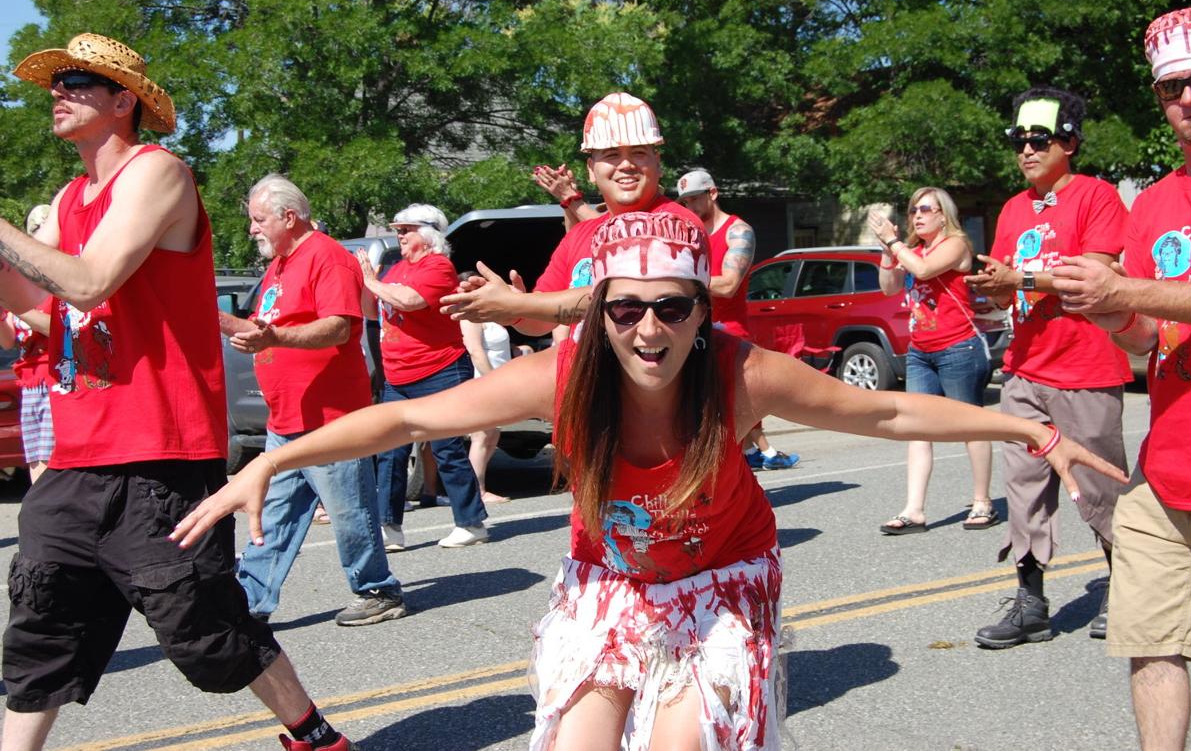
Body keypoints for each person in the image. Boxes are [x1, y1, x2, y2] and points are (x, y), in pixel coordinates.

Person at [174, 211, 1125, 751]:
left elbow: (885, 415)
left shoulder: (740, 374)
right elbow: (409, 419)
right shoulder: (562, 376)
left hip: (721, 586)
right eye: (625, 309)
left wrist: (1026, 427)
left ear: (700, 312)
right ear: (598, 312)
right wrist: (274, 458)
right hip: (612, 585)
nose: (649, 329)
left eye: (672, 307)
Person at [0, 33, 356, 751]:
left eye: (76, 80)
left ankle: (314, 736)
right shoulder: (68, 198)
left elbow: (90, 282)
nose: (58, 92)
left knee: (206, 629)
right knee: (41, 632)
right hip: (76, 458)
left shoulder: (158, 172)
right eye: (56, 82)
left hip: (159, 452)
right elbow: (53, 316)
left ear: (123, 100)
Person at [1051, 5, 1191, 751]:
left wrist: (1126, 290)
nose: (1188, 98)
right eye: (1173, 87)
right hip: (1167, 473)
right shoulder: (1156, 205)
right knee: (1152, 643)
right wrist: (1110, 313)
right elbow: (1149, 336)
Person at [964, 87, 1131, 649]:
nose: (1027, 150)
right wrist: (992, 289)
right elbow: (1006, 288)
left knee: (1100, 489)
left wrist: (1020, 279)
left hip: (1086, 369)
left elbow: (1094, 277)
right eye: (1019, 141)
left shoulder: (1098, 196)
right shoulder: (1014, 208)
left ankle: (1126, 591)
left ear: (1070, 143)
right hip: (1024, 369)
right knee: (1024, 491)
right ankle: (1031, 604)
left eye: (1040, 140)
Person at [221, 173, 404, 627]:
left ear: (289, 216)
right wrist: (207, 314)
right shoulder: (279, 267)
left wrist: (275, 337)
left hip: (330, 417)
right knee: (273, 514)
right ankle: (249, 601)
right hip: (286, 418)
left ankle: (378, 590)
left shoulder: (327, 257)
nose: (252, 229)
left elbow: (338, 327)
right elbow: (261, 329)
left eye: (259, 219)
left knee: (349, 511)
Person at [441, 92, 702, 335]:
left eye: (639, 153)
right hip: (578, 370)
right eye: (612, 154)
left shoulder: (676, 225)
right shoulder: (580, 234)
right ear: (591, 169)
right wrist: (512, 311)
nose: (626, 164)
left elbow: (619, 298)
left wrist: (517, 304)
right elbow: (540, 324)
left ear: (658, 162)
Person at [358, 204, 490, 548]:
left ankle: (471, 523)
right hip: (398, 376)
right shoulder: (396, 269)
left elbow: (410, 300)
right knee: (390, 452)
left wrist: (372, 282)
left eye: (406, 229)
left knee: (446, 447)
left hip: (440, 369)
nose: (399, 236)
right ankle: (389, 527)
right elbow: (373, 310)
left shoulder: (439, 267)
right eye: (398, 230)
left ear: (428, 234)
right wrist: (366, 285)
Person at [869, 188, 995, 533]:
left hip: (958, 346)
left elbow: (923, 271)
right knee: (917, 427)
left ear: (943, 215)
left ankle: (982, 502)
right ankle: (914, 510)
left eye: (926, 209)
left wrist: (894, 243)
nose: (917, 215)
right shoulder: (912, 250)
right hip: (920, 350)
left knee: (971, 424)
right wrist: (887, 251)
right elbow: (889, 287)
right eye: (913, 210)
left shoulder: (956, 244)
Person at [677, 168, 800, 471]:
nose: (690, 206)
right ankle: (757, 455)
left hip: (729, 333)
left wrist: (676, 280)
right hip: (691, 332)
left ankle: (755, 458)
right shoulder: (688, 235)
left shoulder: (738, 231)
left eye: (694, 198)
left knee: (731, 411)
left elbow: (729, 285)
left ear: (712, 193)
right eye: (685, 201)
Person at [0, 206, 55, 484]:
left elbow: (54, 327)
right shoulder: (22, 281)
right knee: (35, 463)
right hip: (29, 382)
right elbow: (8, 340)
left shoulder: (57, 282)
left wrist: (15, 304)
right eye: (34, 231)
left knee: (53, 464)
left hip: (55, 380)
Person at [459, 277, 514, 504]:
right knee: (481, 436)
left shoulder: (489, 314)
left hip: (500, 381)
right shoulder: (470, 316)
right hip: (484, 381)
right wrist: (493, 378)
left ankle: (478, 487)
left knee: (493, 435)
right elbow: (475, 351)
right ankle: (477, 491)